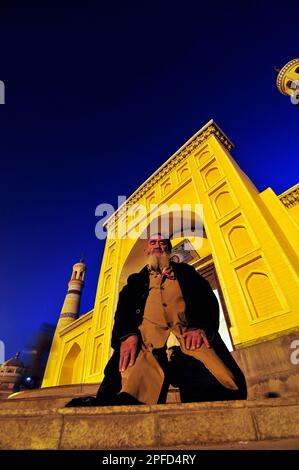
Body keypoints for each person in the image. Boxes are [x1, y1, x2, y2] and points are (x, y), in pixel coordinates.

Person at [66, 233, 247, 407]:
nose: (158, 246)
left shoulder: (186, 273)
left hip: (187, 338)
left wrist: (199, 326)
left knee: (220, 383)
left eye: (163, 244)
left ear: (168, 250)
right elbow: (123, 313)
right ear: (146, 250)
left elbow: (206, 300)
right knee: (129, 393)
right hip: (147, 344)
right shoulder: (135, 282)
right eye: (153, 243)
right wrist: (127, 335)